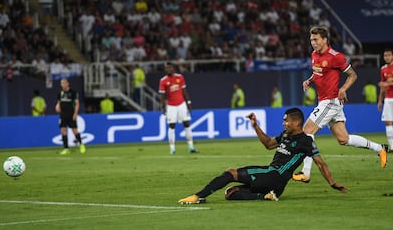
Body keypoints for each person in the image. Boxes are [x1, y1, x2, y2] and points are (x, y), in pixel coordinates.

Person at [178, 108, 348, 204]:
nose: (284, 123)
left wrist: (332, 183)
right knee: (230, 193)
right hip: (275, 182)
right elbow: (268, 144)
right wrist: (255, 126)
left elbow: (321, 163)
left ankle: (198, 196)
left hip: (274, 175)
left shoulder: (305, 141)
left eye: (286, 121)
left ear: (296, 122)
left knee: (231, 173)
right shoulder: (285, 135)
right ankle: (265, 196)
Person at [293, 26, 388, 183]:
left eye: (316, 39)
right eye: (311, 40)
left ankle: (306, 172)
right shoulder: (314, 55)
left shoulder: (335, 56)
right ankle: (380, 149)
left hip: (330, 101)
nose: (313, 43)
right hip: (327, 102)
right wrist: (310, 80)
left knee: (307, 130)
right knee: (343, 139)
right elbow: (318, 71)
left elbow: (353, 75)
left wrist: (343, 88)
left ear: (324, 39)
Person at [159, 62, 198, 154]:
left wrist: (188, 102)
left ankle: (191, 146)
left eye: (169, 68)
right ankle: (172, 148)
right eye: (166, 68)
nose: (167, 69)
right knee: (172, 125)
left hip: (181, 104)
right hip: (171, 106)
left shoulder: (179, 77)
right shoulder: (163, 80)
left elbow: (184, 91)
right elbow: (162, 95)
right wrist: (163, 107)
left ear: (173, 68)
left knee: (187, 124)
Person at [55, 78, 86, 155]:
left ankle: (81, 144)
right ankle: (66, 148)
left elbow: (77, 103)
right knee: (63, 130)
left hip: (71, 114)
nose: (63, 84)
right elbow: (59, 102)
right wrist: (57, 106)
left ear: (68, 83)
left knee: (74, 130)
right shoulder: (60, 93)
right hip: (63, 114)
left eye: (64, 82)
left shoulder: (73, 93)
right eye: (61, 83)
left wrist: (75, 113)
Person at [378, 48, 393, 150]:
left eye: (389, 55)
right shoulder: (383, 69)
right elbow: (383, 87)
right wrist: (380, 100)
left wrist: (386, 83)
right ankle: (392, 147)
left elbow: (385, 84)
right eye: (385, 55)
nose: (387, 57)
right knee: (388, 122)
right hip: (388, 99)